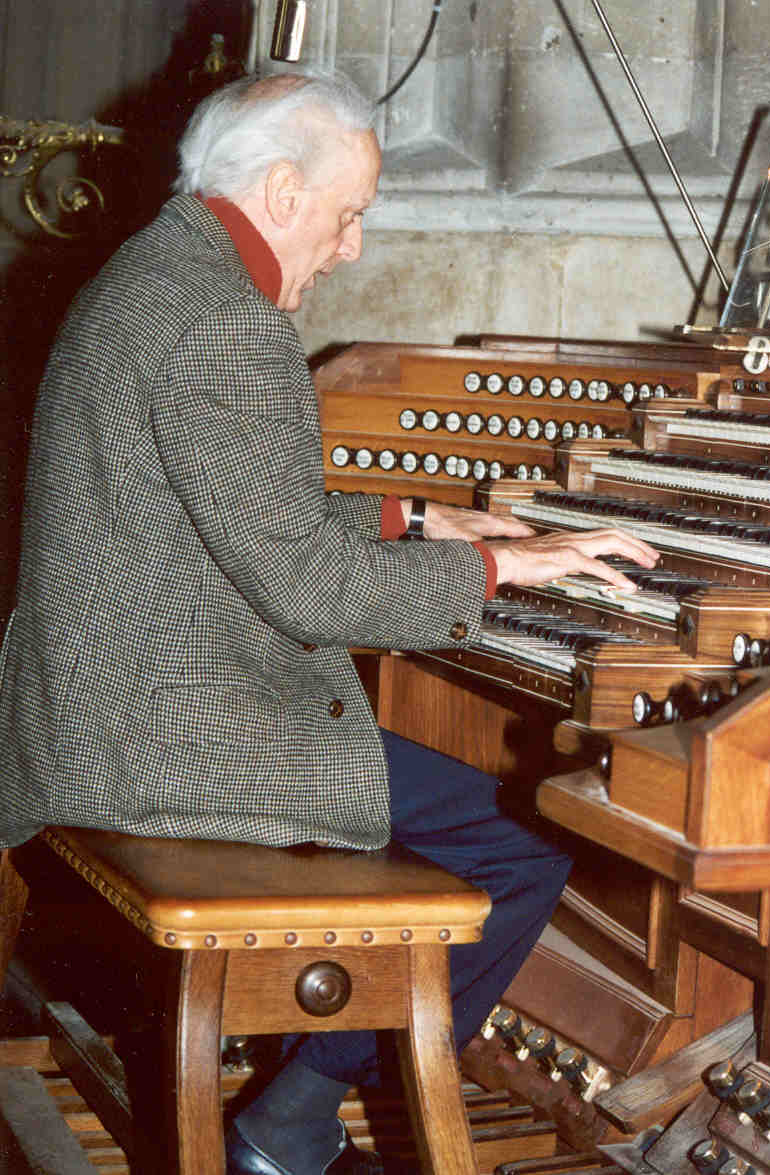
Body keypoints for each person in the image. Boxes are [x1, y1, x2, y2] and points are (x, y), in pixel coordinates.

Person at [0, 72, 658, 1174]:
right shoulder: (229, 322)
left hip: (97, 696)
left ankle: (294, 1080)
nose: (351, 248)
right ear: (283, 188)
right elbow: (308, 587)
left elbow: (221, 498)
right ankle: (290, 1118)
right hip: (156, 734)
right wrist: (502, 563)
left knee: (430, 793)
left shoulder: (159, 270)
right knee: (521, 848)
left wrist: (411, 512)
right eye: (350, 215)